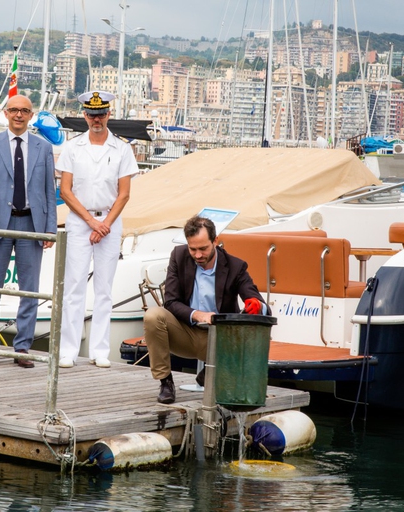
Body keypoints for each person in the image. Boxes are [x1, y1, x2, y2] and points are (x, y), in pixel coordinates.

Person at [144, 216, 268, 404]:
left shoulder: (235, 266)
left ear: (215, 241)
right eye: (192, 249)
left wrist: (256, 304)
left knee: (249, 335)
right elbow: (170, 302)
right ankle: (166, 382)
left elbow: (260, 303)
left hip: (220, 341)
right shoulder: (178, 255)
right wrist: (198, 315)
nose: (198, 255)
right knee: (153, 315)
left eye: (203, 248)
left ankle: (212, 370)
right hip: (185, 332)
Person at [56, 91, 139, 368]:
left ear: (108, 114)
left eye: (101, 114)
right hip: (81, 222)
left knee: (104, 289)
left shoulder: (122, 149)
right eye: (92, 114)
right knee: (74, 287)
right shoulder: (72, 147)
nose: (96, 119)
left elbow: (124, 194)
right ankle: (68, 350)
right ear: (84, 115)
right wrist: (92, 223)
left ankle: (99, 350)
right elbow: (65, 191)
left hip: (110, 222)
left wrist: (103, 226)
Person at [0, 94, 57, 369]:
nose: (19, 115)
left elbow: (49, 190)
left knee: (30, 291)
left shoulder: (44, 147)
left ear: (31, 115)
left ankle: (22, 347)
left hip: (31, 224)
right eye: (14, 110)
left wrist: (50, 229)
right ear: (5, 113)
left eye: (24, 110)